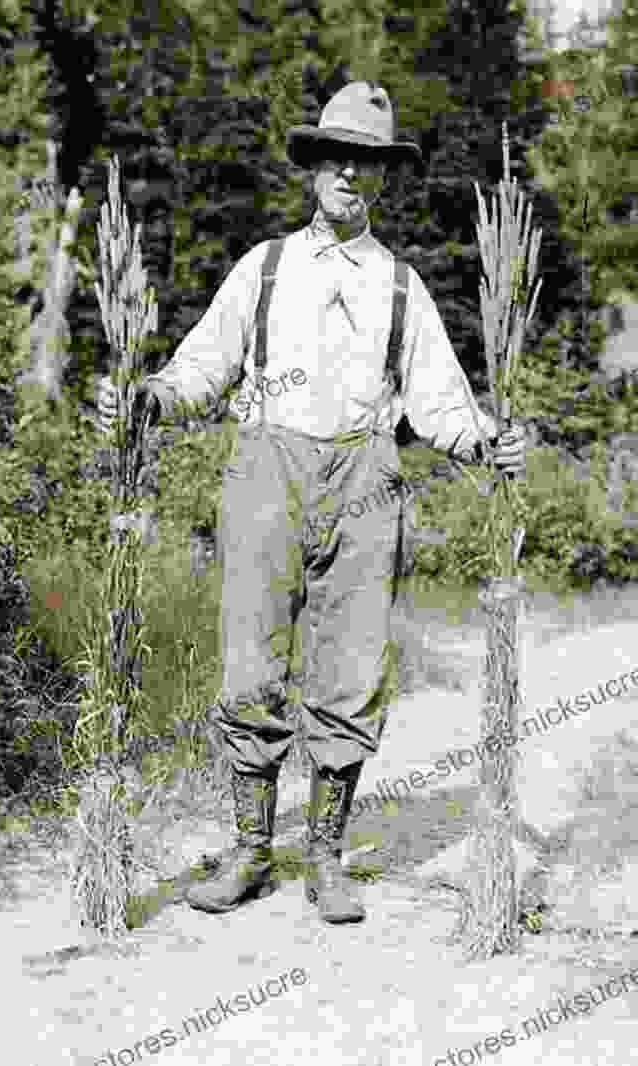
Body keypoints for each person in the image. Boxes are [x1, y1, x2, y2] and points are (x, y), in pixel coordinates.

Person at [96, 80, 526, 924]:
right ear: (314, 166)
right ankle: (251, 850)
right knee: (250, 664)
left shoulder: (401, 287)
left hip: (366, 480)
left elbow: (441, 403)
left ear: (385, 177)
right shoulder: (265, 268)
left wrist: (487, 439)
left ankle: (325, 854)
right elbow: (200, 370)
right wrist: (144, 395)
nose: (351, 175)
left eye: (369, 163)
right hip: (265, 471)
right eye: (338, 158)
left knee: (353, 671)